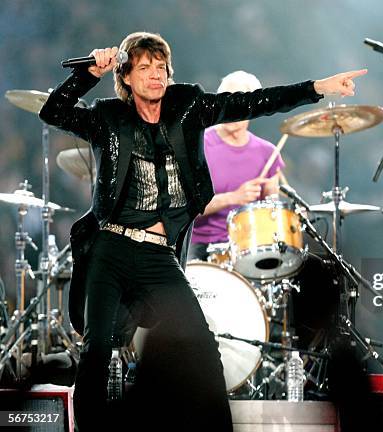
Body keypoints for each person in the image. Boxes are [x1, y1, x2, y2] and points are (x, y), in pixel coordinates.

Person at [39, 31, 366, 431]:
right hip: (111, 246)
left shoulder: (188, 107)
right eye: (145, 68)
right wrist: (89, 73)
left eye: (161, 68)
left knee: (203, 346)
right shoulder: (106, 117)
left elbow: (251, 103)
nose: (156, 75)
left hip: (159, 253)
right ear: (125, 77)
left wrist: (317, 88)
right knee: (96, 348)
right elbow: (53, 111)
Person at [189, 70, 284, 261]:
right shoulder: (198, 144)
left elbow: (273, 210)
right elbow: (185, 207)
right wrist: (233, 197)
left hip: (250, 247)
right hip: (202, 249)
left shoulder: (268, 152)